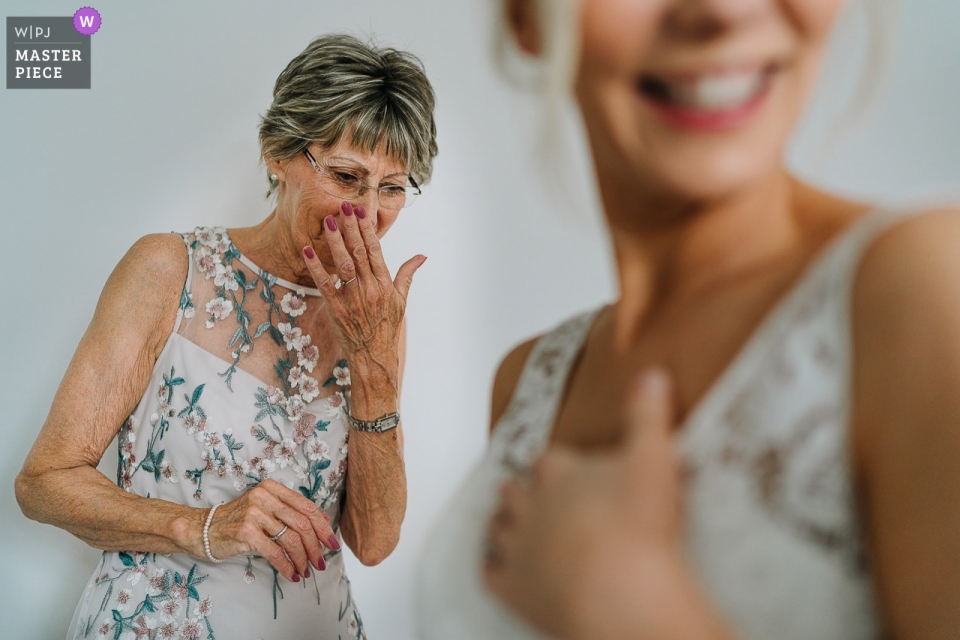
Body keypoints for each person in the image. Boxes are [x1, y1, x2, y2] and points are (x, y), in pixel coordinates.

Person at [416, 0, 960, 639]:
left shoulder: (924, 288)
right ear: (525, 18)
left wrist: (630, 609)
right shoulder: (527, 382)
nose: (723, 12)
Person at [15, 33, 436, 640]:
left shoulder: (375, 316)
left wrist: (374, 367)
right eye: (347, 176)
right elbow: (44, 483)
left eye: (393, 187)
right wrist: (204, 526)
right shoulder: (168, 268)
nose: (369, 213)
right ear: (277, 153)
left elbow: (374, 541)